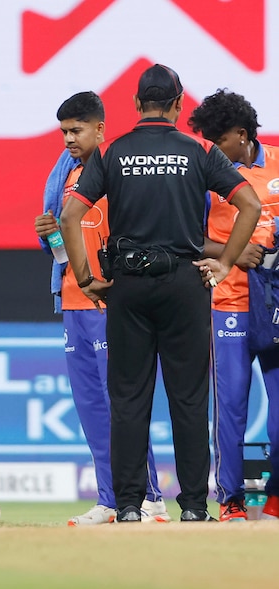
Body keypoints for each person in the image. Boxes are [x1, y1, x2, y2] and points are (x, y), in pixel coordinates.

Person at [60, 64, 261, 522]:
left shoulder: (112, 152)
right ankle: (193, 507)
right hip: (185, 285)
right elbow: (249, 204)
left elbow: (70, 216)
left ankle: (130, 506)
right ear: (178, 104)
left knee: (128, 399)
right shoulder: (200, 150)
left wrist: (86, 278)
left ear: (136, 105)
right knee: (188, 399)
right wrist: (226, 262)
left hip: (127, 287)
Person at [34, 92, 169, 525]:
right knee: (92, 409)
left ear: (100, 129)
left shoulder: (121, 171)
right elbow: (63, 244)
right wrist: (49, 234)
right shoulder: (67, 174)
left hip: (111, 302)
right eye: (64, 132)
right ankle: (111, 500)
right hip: (73, 300)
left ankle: (149, 497)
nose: (69, 140)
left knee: (122, 405)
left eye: (76, 131)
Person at [188, 89, 279, 521]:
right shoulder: (206, 175)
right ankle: (231, 500)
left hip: (274, 306)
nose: (211, 148)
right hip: (229, 304)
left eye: (217, 140)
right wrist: (233, 253)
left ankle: (275, 497)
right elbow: (188, 237)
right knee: (231, 410)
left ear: (242, 135)